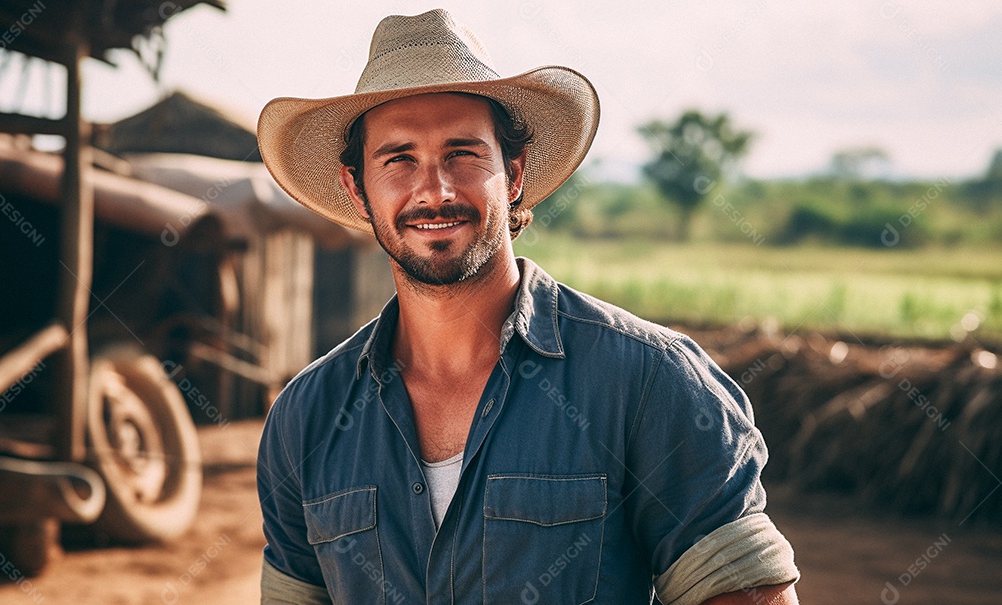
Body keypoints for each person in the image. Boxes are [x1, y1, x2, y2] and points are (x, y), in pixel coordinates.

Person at [256, 9, 799, 604]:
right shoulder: (306, 418)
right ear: (356, 187)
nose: (434, 190)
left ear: (513, 174)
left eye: (463, 153)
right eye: (399, 159)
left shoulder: (647, 381)